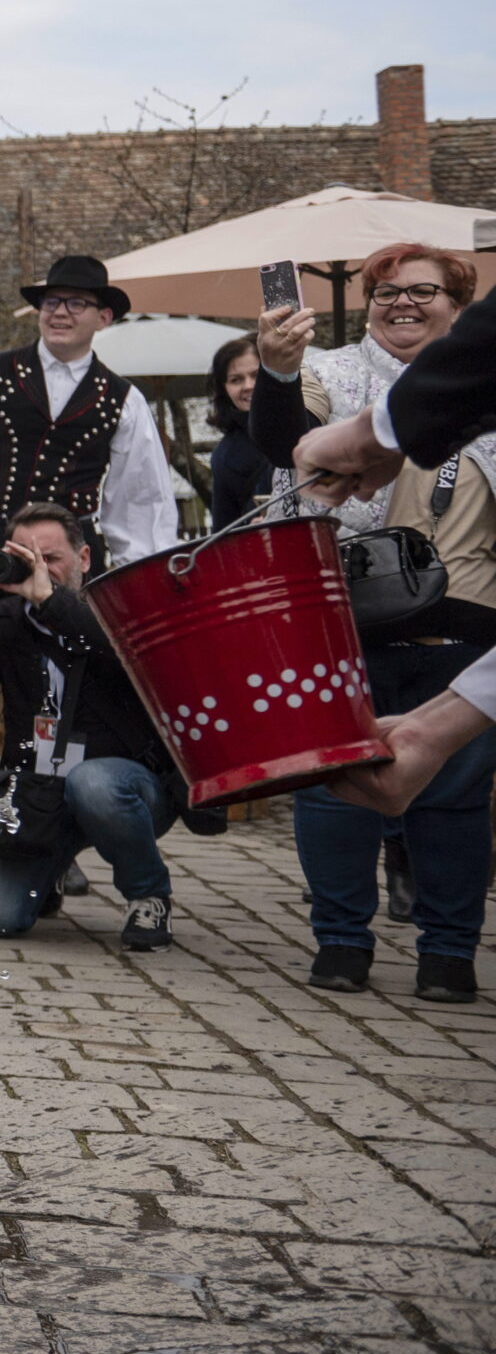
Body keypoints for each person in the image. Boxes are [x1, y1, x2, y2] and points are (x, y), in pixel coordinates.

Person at [249, 243, 493, 1003]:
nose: (402, 304)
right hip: (346, 614)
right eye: (385, 292)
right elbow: (281, 436)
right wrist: (280, 370)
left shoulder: (483, 385)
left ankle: (449, 952)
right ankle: (342, 942)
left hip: (469, 624)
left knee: (454, 796)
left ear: (462, 307)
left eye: (423, 291)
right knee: (334, 784)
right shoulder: (337, 375)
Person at [0, 255, 180, 886]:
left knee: (65, 703)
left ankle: (57, 842)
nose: (60, 312)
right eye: (52, 301)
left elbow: (141, 499)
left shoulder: (123, 399)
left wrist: (129, 589)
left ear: (104, 317)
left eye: (77, 303)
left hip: (69, 575)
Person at [0, 506, 180, 949]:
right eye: (28, 558)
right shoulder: (5, 622)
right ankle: (51, 868)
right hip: (41, 801)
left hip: (125, 791)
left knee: (93, 783)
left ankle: (148, 895)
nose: (39, 570)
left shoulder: (118, 610)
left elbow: (124, 657)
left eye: (52, 559)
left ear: (85, 558)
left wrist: (50, 601)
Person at [205, 334, 268, 528]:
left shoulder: (307, 422)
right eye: (236, 380)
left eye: (256, 375)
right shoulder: (224, 457)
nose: (248, 386)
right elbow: (225, 531)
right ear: (223, 389)